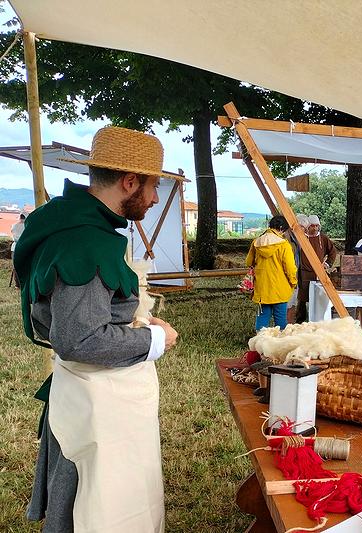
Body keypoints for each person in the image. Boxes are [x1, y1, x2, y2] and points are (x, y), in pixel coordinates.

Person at [14, 126, 179, 532]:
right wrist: (156, 338)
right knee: (99, 510)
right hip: (95, 405)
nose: (156, 198)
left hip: (87, 396)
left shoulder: (63, 223)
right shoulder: (85, 241)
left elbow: (81, 318)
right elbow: (80, 339)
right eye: (154, 187)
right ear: (130, 182)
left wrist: (133, 320)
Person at [246, 215, 298, 331]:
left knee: (263, 316)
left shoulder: (256, 242)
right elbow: (290, 268)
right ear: (281, 228)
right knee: (280, 319)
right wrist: (293, 282)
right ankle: (279, 343)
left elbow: (248, 262)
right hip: (280, 289)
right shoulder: (284, 245)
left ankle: (259, 342)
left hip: (262, 288)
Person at [296, 214, 337, 323]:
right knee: (302, 299)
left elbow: (332, 252)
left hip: (318, 274)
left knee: (318, 298)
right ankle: (300, 322)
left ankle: (316, 320)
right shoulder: (302, 238)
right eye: (312, 226)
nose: (314, 228)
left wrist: (327, 264)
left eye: (316, 226)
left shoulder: (323, 238)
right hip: (304, 273)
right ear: (308, 226)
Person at [10, 212, 26, 288]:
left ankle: (17, 285)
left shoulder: (14, 226)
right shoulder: (27, 226)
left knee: (16, 266)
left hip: (15, 248)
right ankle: (24, 283)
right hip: (25, 248)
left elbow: (14, 238)